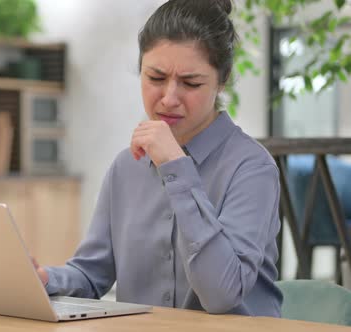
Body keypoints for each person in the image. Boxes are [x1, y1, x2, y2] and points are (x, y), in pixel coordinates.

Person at [33, 0, 283, 317]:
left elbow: (222, 294)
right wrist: (43, 279)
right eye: (155, 77)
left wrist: (176, 168)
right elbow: (90, 275)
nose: (168, 98)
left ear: (222, 80)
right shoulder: (126, 167)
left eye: (190, 83)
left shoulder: (252, 168)